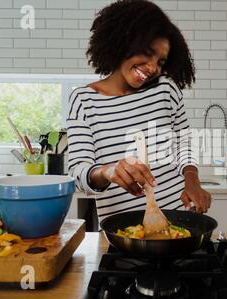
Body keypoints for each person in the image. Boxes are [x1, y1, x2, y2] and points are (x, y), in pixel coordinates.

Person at [67, 0, 211, 221]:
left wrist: (192, 178)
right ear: (123, 41)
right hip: (124, 232)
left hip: (180, 221)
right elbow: (78, 172)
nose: (153, 67)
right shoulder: (84, 100)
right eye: (148, 53)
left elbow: (184, 143)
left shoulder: (165, 88)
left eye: (161, 61)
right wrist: (108, 171)